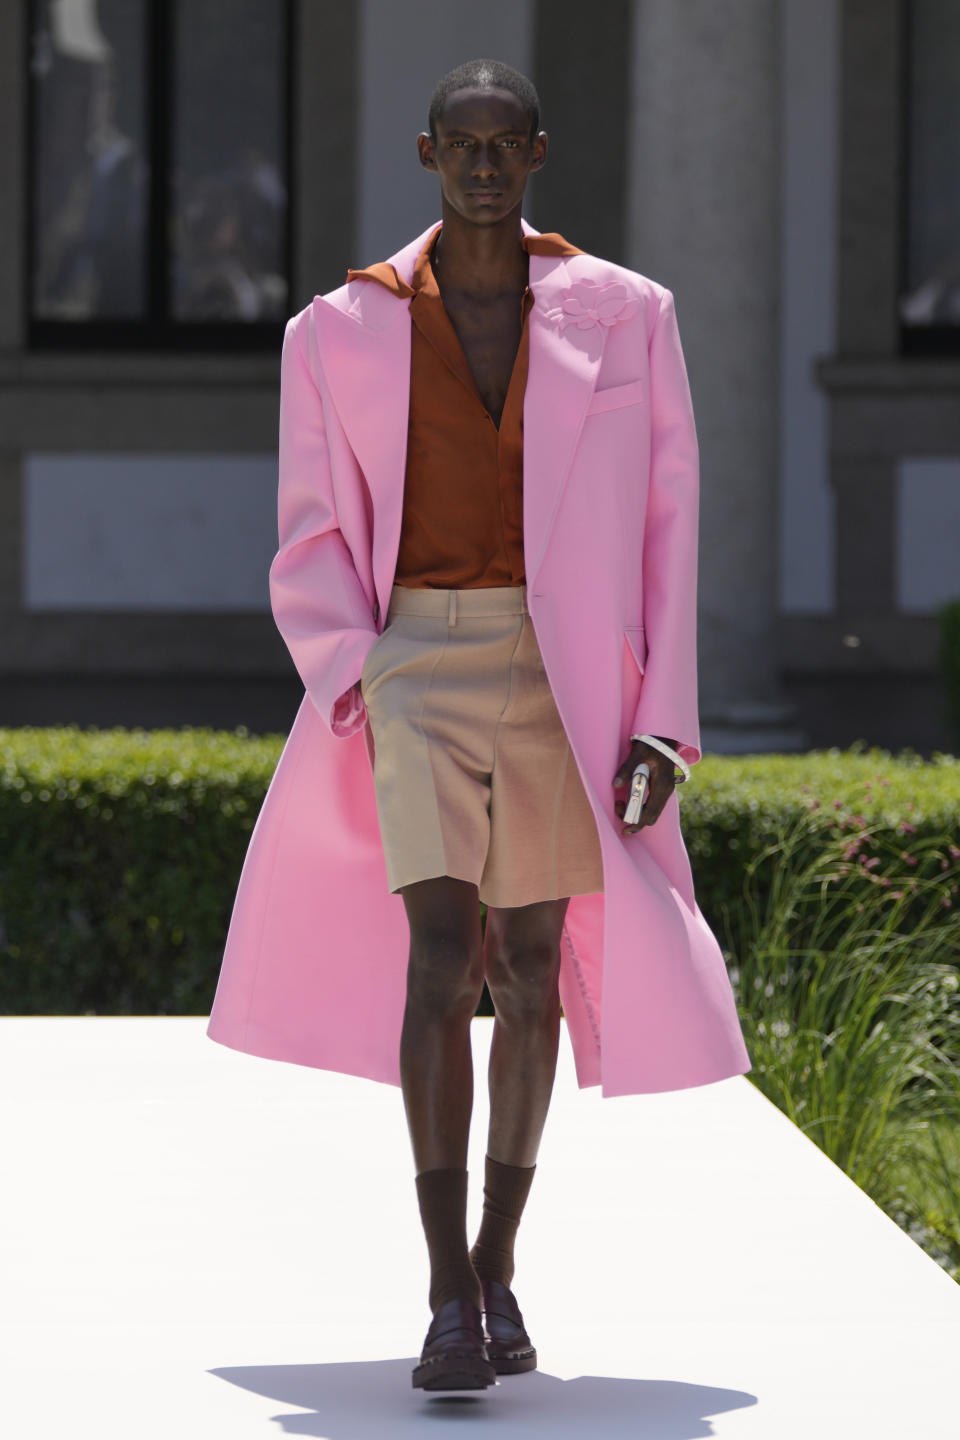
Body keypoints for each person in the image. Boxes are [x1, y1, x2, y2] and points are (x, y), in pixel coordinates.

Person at [206, 58, 751, 1393]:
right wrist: (359, 668)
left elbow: (673, 522)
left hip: (568, 676)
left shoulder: (628, 317)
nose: (488, 165)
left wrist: (663, 722)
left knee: (529, 964)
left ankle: (501, 1263)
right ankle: (447, 1290)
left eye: (509, 145)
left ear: (541, 155)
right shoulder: (338, 329)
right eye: (466, 144)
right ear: (428, 153)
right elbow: (310, 530)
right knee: (439, 953)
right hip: (420, 661)